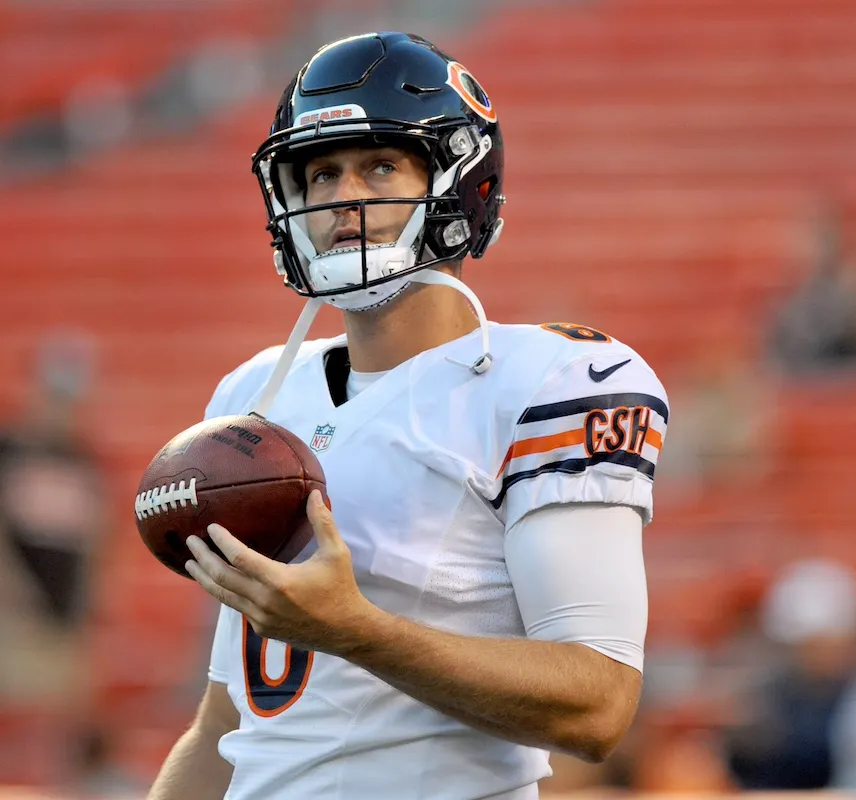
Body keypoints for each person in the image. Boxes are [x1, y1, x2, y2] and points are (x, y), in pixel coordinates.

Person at [148, 32, 668, 800]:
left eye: (380, 165)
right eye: (321, 172)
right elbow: (229, 726)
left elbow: (597, 702)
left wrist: (356, 629)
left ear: (463, 180)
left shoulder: (546, 381)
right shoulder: (255, 394)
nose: (341, 197)